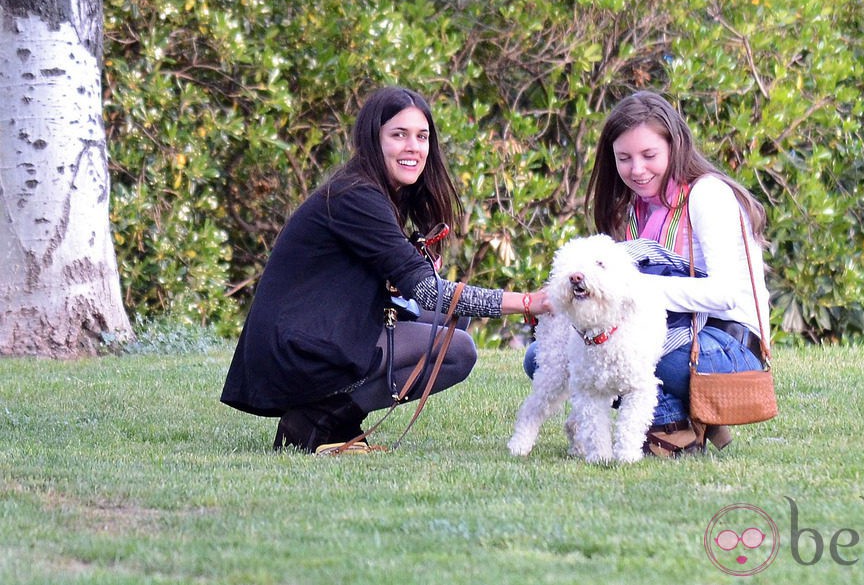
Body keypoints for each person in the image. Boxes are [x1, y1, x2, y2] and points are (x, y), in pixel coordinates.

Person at [221, 86, 549, 454]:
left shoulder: (377, 190)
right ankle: (318, 418)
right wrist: (527, 302)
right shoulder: (356, 196)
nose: (413, 147)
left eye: (421, 137)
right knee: (458, 350)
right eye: (399, 135)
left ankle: (330, 413)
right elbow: (426, 291)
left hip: (320, 326)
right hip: (298, 347)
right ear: (372, 139)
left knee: (454, 318)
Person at [525, 90, 770, 457]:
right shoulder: (639, 207)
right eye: (624, 158)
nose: (637, 170)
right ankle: (679, 419)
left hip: (727, 344)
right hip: (676, 333)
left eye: (649, 155)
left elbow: (725, 294)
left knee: (633, 357)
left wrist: (634, 287)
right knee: (552, 356)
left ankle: (675, 425)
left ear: (676, 147)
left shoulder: (707, 196)